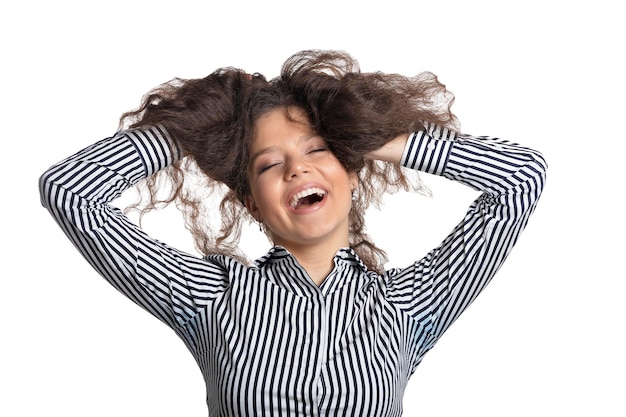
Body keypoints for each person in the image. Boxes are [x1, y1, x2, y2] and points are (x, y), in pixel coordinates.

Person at [39, 50, 547, 416]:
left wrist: (368, 134)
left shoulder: (410, 305)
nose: (297, 171)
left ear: (351, 171)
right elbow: (69, 191)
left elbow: (521, 179)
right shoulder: (210, 297)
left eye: (317, 151)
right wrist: (195, 125)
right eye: (268, 165)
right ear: (250, 202)